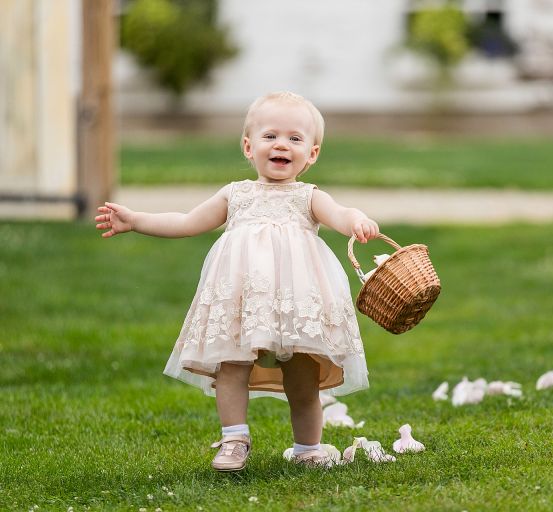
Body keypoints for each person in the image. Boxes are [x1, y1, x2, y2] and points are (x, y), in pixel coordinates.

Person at [95, 91, 379, 471]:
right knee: (231, 365)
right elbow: (185, 222)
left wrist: (357, 220)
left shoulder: (308, 197)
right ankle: (234, 439)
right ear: (248, 146)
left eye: (295, 139)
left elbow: (341, 213)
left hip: (294, 301)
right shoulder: (236, 194)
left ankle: (308, 448)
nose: (281, 144)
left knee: (302, 374)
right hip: (242, 299)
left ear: (311, 154)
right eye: (270, 136)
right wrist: (135, 220)